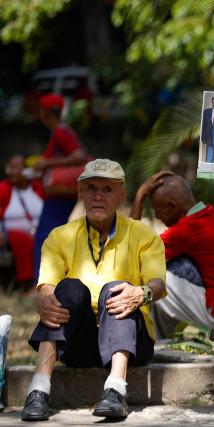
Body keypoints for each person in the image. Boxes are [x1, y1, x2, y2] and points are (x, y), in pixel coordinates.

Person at [20, 159, 166, 422]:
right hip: (81, 343)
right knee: (68, 289)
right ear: (80, 193)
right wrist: (44, 298)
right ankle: (38, 390)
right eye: (91, 188)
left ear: (122, 194)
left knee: (117, 290)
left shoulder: (143, 235)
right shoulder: (59, 236)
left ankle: (115, 391)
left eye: (107, 189)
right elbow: (47, 287)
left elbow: (157, 284)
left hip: (132, 342)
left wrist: (139, 294)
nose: (98, 196)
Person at [131, 171, 214, 339]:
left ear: (172, 206)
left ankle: (154, 342)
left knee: (156, 280)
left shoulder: (187, 229)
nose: (157, 217)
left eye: (158, 210)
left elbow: (132, 252)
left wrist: (140, 196)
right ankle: (162, 341)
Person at [32, 93, 89, 283]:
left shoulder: (61, 132)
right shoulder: (61, 131)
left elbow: (79, 155)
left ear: (45, 113)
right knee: (52, 235)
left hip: (60, 196)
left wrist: (47, 163)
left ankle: (41, 283)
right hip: (61, 194)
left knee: (45, 237)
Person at [0, 155, 44, 287]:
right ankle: (28, 284)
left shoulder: (38, 187)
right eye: (10, 168)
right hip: (10, 233)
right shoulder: (4, 188)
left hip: (38, 231)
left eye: (17, 168)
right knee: (22, 240)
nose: (13, 172)